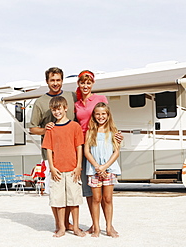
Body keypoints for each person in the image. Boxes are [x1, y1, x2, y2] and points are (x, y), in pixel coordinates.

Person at [74, 70, 123, 234]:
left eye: (88, 82)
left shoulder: (100, 99)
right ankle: (95, 225)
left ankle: (109, 226)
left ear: (93, 83)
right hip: (87, 148)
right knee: (91, 194)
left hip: (105, 154)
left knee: (107, 197)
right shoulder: (77, 103)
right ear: (79, 84)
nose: (86, 85)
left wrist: (117, 135)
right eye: (82, 82)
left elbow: (109, 118)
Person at [29, 67, 76, 232]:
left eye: (58, 80)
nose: (55, 83)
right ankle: (59, 224)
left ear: (62, 80)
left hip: (71, 154)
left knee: (70, 190)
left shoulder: (72, 96)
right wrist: (46, 130)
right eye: (52, 80)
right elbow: (32, 128)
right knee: (56, 192)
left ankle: (68, 222)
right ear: (47, 81)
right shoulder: (40, 102)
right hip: (51, 155)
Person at [41, 96, 85, 238]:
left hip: (73, 170)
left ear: (65, 108)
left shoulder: (75, 126)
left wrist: (78, 166)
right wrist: (52, 168)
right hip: (57, 171)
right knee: (58, 201)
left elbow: (79, 147)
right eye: (54, 110)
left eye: (59, 109)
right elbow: (48, 149)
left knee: (74, 200)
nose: (57, 112)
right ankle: (61, 227)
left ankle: (76, 227)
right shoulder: (51, 129)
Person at [84, 102, 121, 238]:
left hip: (109, 169)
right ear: (94, 115)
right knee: (96, 199)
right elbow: (87, 152)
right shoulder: (90, 131)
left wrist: (104, 167)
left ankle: (109, 227)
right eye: (98, 114)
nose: (100, 116)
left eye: (103, 114)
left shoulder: (113, 131)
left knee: (108, 199)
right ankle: (97, 228)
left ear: (108, 115)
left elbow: (116, 152)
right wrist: (97, 167)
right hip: (94, 170)